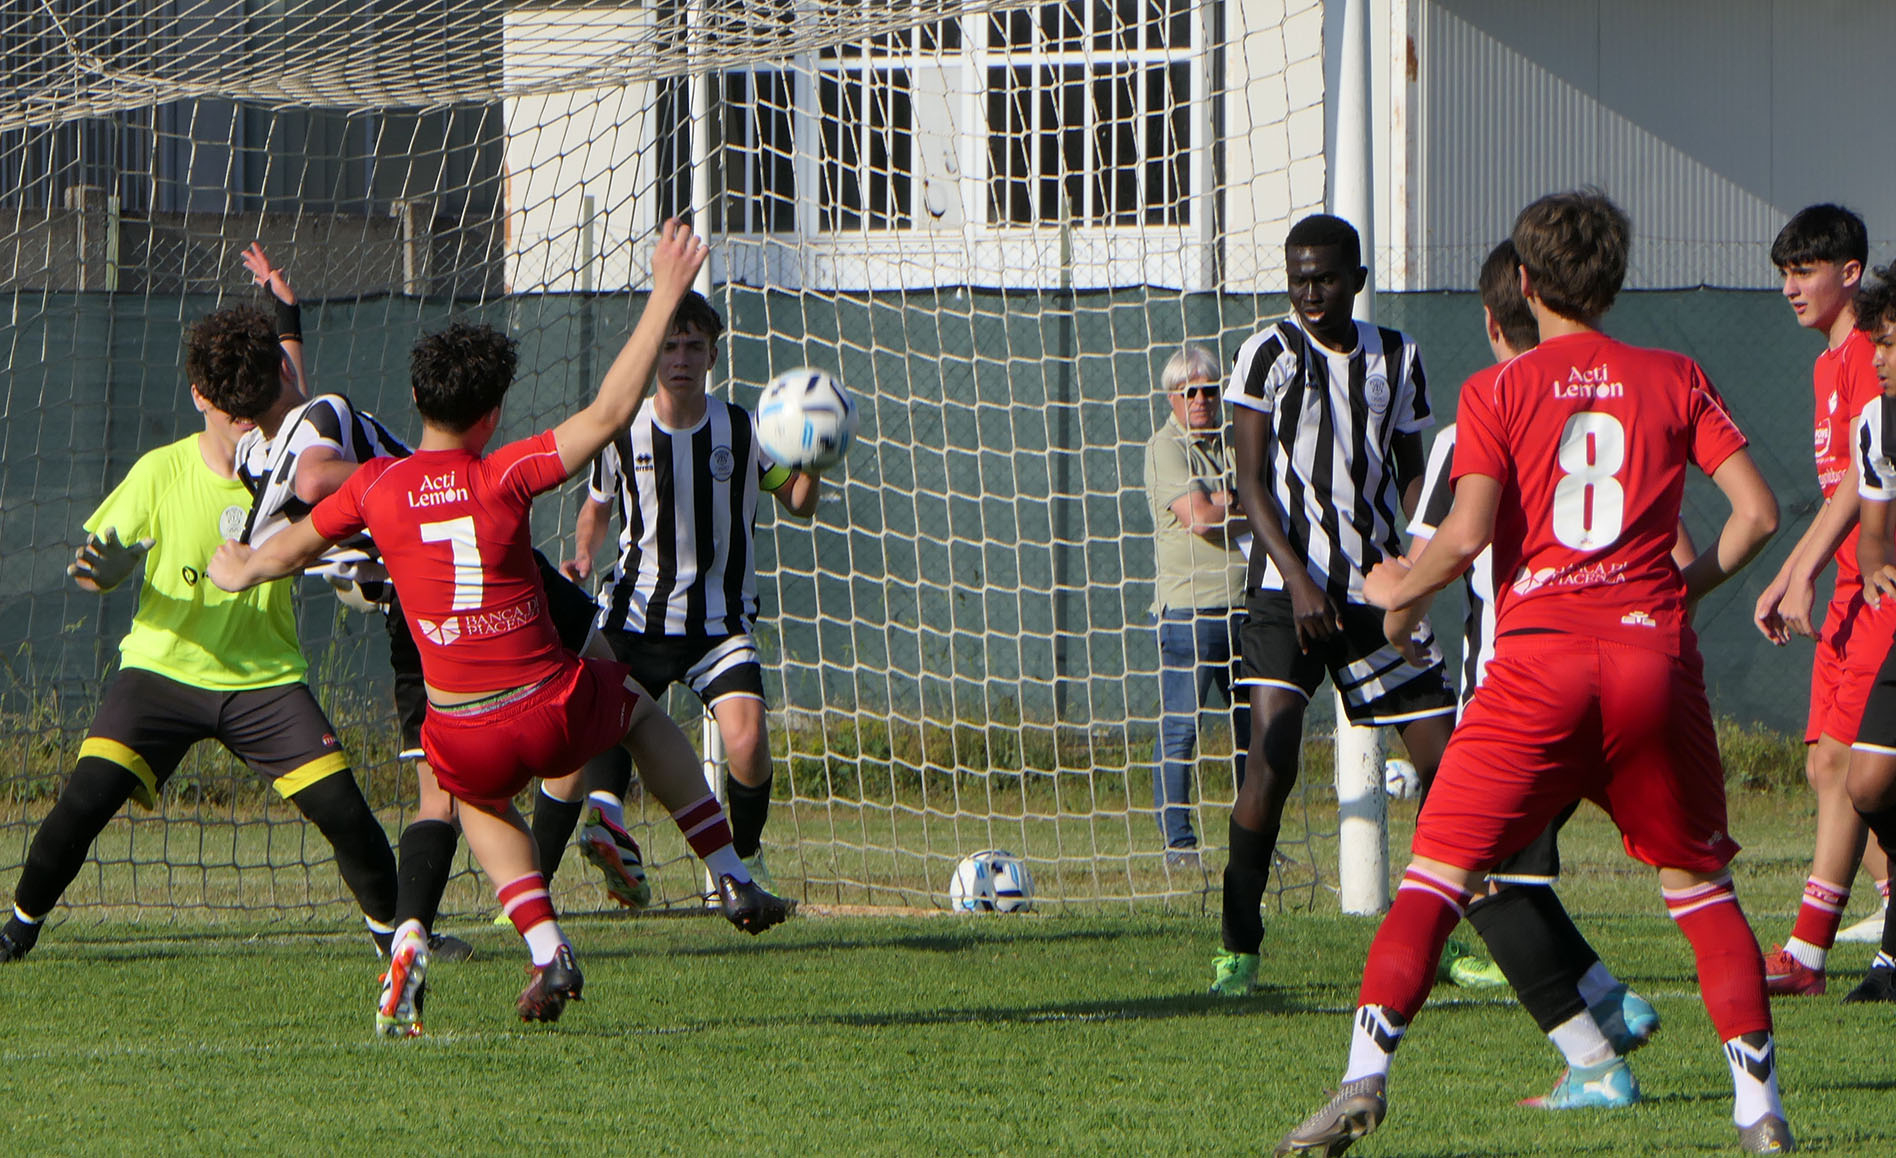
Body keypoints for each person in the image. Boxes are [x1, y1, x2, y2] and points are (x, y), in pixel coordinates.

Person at [1275, 189, 1788, 1156]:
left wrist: (1401, 599)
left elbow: (1465, 533)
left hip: (1537, 665)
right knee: (1701, 888)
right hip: (1648, 659)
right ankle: (1759, 1109)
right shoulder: (1675, 374)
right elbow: (1758, 514)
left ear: (1523, 281)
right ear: (1614, 281)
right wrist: (1677, 592)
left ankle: (1364, 1076)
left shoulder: (1497, 391)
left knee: (1437, 876)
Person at [211, 220, 794, 1037]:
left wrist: (238, 564)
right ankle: (728, 869)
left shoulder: (376, 487)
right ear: (490, 416)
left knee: (473, 798)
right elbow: (609, 411)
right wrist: (664, 294)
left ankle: (544, 947)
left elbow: (285, 551)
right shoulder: (504, 473)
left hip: (466, 730)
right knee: (637, 712)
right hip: (550, 709)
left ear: (418, 401)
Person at [229, 245, 635, 960]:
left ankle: (413, 935)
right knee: (611, 693)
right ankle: (628, 825)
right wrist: (411, 484)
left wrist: (285, 310)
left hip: (413, 609)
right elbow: (317, 470)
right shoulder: (329, 426)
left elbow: (291, 428)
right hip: (469, 565)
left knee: (444, 792)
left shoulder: (256, 452)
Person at [0, 301, 400, 965]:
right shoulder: (160, 470)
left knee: (346, 813)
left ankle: (402, 942)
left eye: (250, 396)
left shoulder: (287, 467)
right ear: (198, 397)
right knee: (84, 800)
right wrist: (108, 573)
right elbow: (95, 570)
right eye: (226, 401)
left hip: (264, 680)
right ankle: (17, 930)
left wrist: (287, 314)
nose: (241, 414)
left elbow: (302, 402)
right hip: (161, 672)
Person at [1407, 239, 1666, 1107]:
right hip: (1625, 679)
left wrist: (1393, 608)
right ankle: (1607, 998)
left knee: (1469, 875)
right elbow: (1677, 553)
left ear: (1493, 320)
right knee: (1506, 874)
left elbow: (1437, 556)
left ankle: (1595, 1060)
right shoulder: (1624, 410)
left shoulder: (1478, 421)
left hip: (1516, 692)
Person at [1213, 213, 1460, 997]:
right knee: (1273, 757)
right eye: (1298, 279)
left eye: (1324, 278)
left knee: (1448, 764)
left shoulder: (1399, 356)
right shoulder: (1268, 353)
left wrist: (1422, 562)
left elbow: (1415, 477)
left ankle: (1447, 939)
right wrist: (1297, 578)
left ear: (1356, 278)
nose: (1310, 292)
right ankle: (1239, 947)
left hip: (1377, 594)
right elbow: (1250, 484)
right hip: (1286, 593)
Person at [560, 289, 821, 893]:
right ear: (654, 354)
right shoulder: (621, 432)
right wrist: (583, 554)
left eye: (694, 347)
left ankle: (743, 862)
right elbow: (596, 507)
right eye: (671, 346)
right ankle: (577, 853)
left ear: (712, 356)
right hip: (634, 617)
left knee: (747, 740)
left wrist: (817, 456)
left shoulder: (746, 430)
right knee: (592, 728)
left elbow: (798, 502)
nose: (681, 358)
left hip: (719, 625)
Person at [1752, 204, 1892, 991]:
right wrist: (1795, 571)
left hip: (1877, 583)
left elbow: (1864, 486)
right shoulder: (1824, 364)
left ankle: (1806, 952)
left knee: (1847, 762)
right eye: (1784, 273)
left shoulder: (1872, 352)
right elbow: (1842, 487)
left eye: (1803, 271)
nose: (1789, 288)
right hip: (1846, 585)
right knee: (1821, 765)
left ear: (1850, 273)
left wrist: (1797, 569)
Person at [1142, 343, 1248, 865]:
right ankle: (1179, 844)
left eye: (1209, 390)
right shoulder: (1164, 447)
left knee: (1255, 730)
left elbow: (1266, 498)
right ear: (1172, 398)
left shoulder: (1231, 443)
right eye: (1190, 393)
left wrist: (1226, 500)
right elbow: (1201, 518)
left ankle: (1256, 842)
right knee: (1182, 729)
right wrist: (1237, 500)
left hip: (1245, 607)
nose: (1202, 400)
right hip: (1189, 612)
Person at [1833, 266, 1896, 1002]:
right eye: (1875, 343)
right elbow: (1873, 533)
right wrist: (1876, 567)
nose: (1876, 359)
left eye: (1890, 344)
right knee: (1868, 782)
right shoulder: (1878, 420)